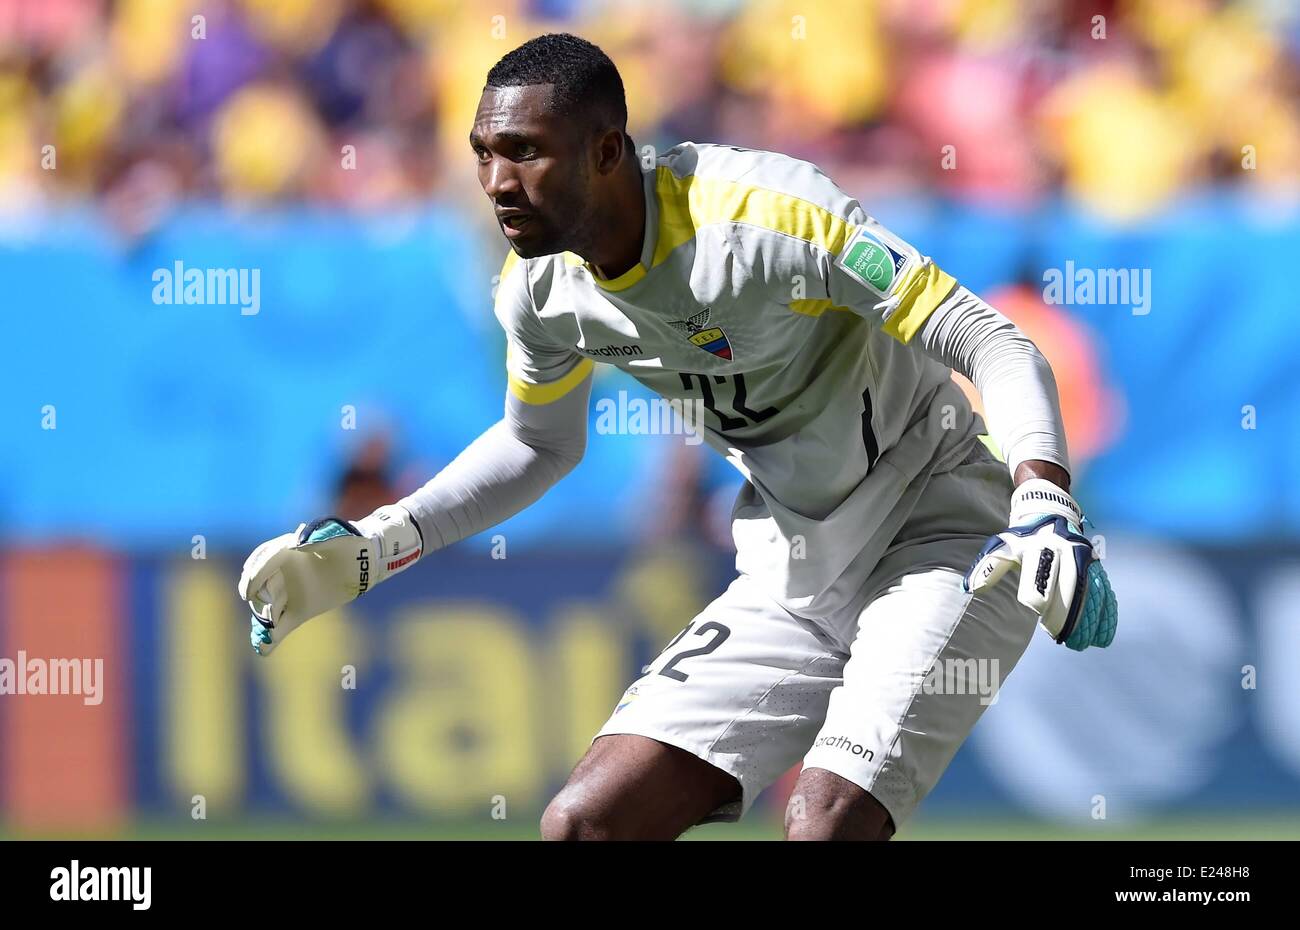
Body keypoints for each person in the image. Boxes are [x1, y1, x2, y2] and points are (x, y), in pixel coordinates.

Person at [238, 33, 1117, 841]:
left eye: (525, 152)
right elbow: (537, 445)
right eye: (484, 154)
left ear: (607, 150)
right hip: (793, 561)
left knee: (824, 819)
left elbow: (990, 338)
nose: (498, 182)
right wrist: (378, 544)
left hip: (943, 526)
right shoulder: (538, 292)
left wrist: (1042, 498)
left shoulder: (768, 217)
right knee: (582, 825)